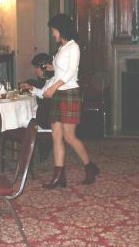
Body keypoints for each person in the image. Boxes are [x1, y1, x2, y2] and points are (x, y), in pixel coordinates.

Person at [41, 13, 99, 189]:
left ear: (61, 29)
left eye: (53, 30)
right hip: (59, 93)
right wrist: (51, 67)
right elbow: (61, 69)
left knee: (69, 136)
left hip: (68, 94)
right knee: (56, 135)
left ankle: (90, 167)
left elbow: (70, 72)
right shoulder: (62, 47)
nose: (53, 34)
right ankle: (59, 176)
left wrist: (52, 87)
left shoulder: (73, 47)